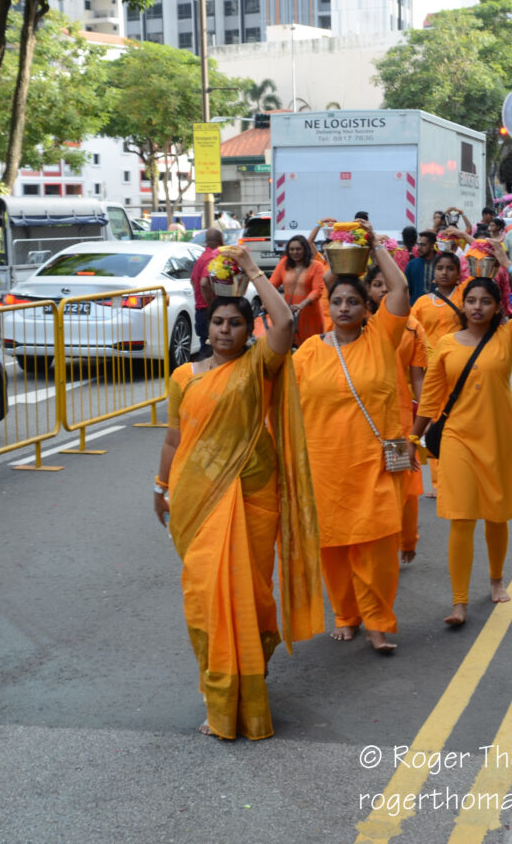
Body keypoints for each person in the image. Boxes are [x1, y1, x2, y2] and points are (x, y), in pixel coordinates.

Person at [154, 246, 323, 739]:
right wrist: (160, 486)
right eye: (219, 323)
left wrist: (251, 271)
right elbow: (173, 438)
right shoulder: (184, 378)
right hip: (195, 498)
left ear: (249, 329)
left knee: (251, 594)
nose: (225, 331)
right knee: (204, 596)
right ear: (207, 327)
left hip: (251, 494)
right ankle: (219, 688)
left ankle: (249, 671)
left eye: (235, 324)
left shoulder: (257, 367)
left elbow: (287, 326)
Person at [410, 240, 512, 626]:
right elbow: (433, 398)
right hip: (456, 439)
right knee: (462, 517)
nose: (477, 307)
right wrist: (411, 437)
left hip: (498, 439)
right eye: (471, 301)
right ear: (463, 304)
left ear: (496, 305)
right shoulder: (446, 345)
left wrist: (508, 263)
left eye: (485, 301)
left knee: (496, 515)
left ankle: (497, 579)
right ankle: (459, 603)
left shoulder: (507, 337)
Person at [293, 223, 410, 653]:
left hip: (375, 462)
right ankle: (345, 614)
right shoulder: (308, 352)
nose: (344, 307)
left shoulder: (382, 338)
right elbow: (288, 409)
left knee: (377, 547)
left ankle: (378, 621)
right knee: (335, 547)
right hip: (325, 465)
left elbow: (398, 289)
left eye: (353, 301)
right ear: (328, 304)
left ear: (367, 307)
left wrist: (375, 245)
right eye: (337, 300)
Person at [366, 265, 428, 564]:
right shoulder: (354, 323)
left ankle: (406, 539)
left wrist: (426, 414)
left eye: (386, 285)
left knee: (401, 481)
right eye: (376, 284)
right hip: (361, 419)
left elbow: (417, 377)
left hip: (397, 419)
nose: (382, 290)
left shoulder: (412, 326)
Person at [410, 251, 465, 500]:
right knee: (433, 422)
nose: (444, 272)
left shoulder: (466, 296)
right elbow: (412, 336)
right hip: (432, 373)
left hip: (461, 369)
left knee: (459, 422)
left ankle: (461, 474)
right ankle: (438, 481)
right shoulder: (421, 303)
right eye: (439, 268)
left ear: (458, 272)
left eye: (449, 268)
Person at [269, 235, 325, 347]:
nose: (295, 252)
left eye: (298, 249)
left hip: (310, 316)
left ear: (305, 249)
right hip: (289, 314)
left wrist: (301, 305)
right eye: (291, 249)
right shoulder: (283, 264)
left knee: (311, 348)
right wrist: (267, 302)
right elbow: (270, 286)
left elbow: (317, 291)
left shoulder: (317, 266)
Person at [191, 228, 223, 354]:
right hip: (208, 311)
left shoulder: (202, 257)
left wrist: (199, 297)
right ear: (220, 241)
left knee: (205, 347)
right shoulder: (212, 258)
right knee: (210, 353)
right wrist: (212, 305)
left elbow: (193, 281)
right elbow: (204, 283)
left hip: (200, 311)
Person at [405, 230, 437, 305]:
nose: (418, 248)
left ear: (432, 246)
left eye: (423, 245)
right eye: (418, 244)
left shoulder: (441, 265)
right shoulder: (411, 265)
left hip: (437, 308)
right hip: (415, 310)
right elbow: (406, 290)